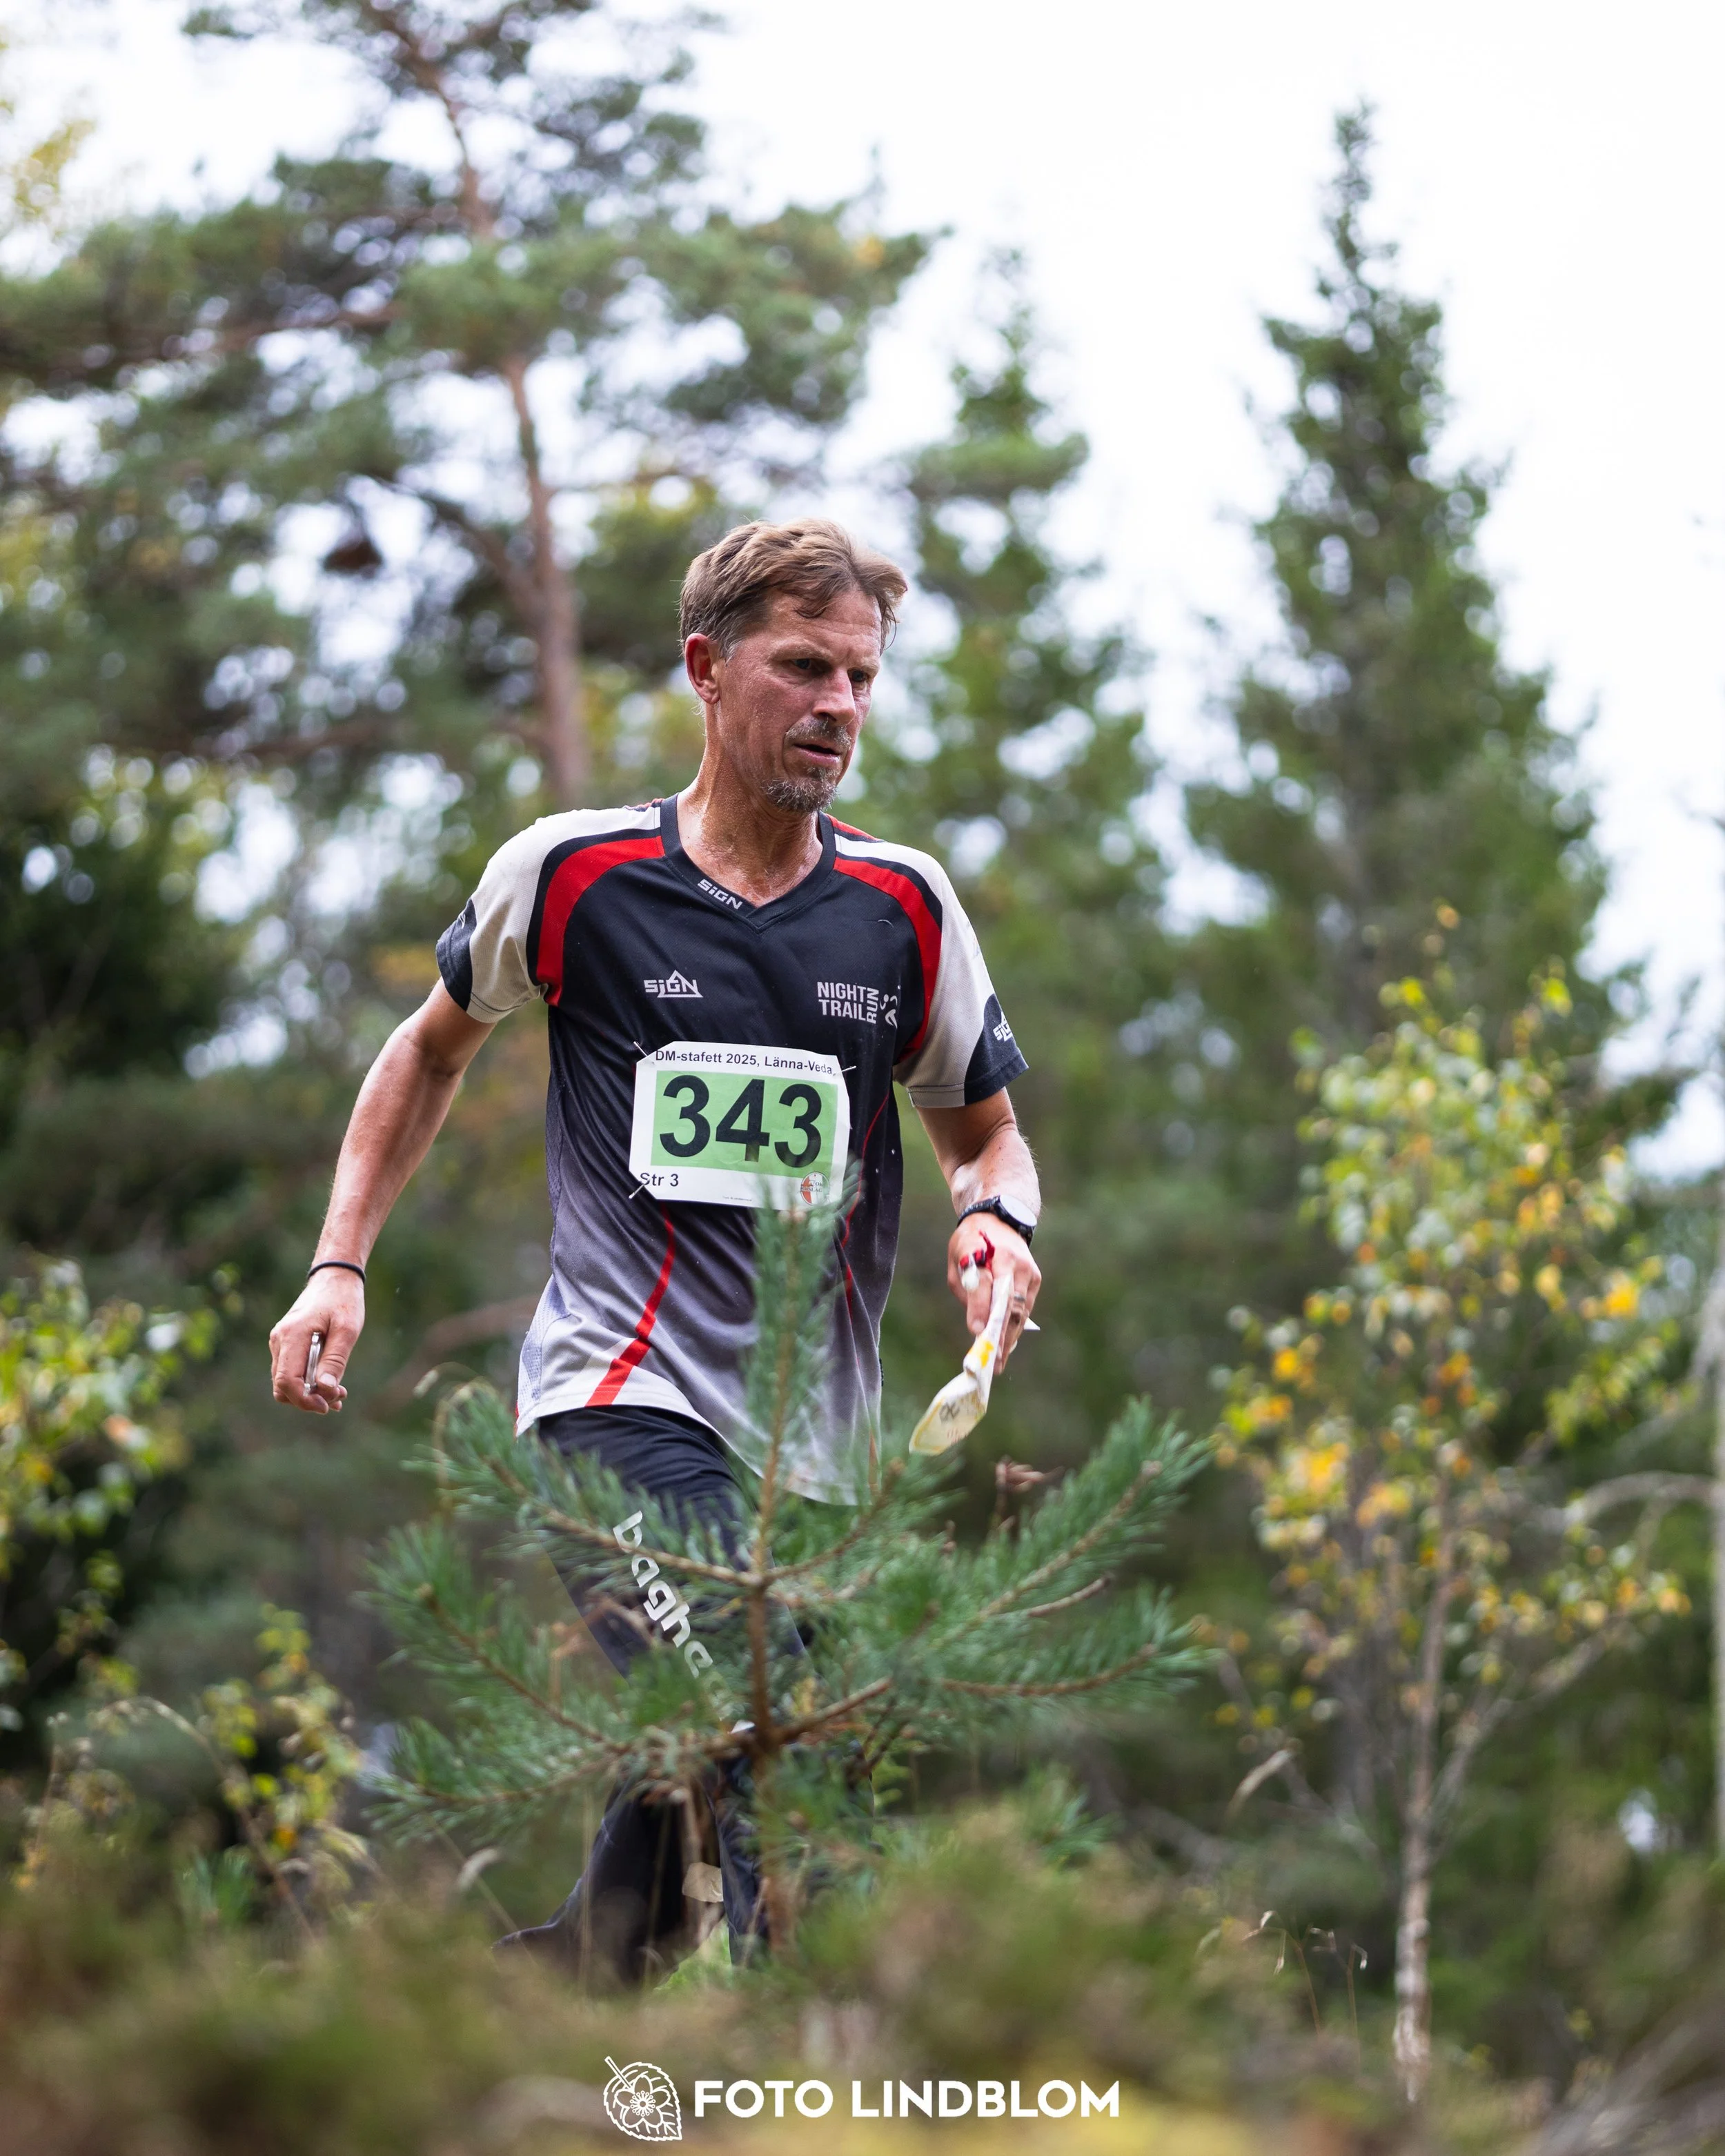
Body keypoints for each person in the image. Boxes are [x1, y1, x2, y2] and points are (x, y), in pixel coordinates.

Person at [268, 518, 1043, 1977]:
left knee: (705, 1810)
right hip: (612, 1404)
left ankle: (495, 2017)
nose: (838, 707)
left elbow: (982, 1132)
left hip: (807, 1463)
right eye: (803, 667)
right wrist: (338, 1263)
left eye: (862, 678)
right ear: (706, 667)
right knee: (734, 1746)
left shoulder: (904, 909)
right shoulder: (573, 874)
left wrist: (994, 1221)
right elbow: (427, 1053)